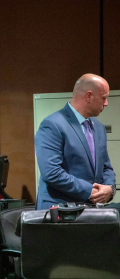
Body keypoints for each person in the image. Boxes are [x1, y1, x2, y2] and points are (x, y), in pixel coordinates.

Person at [35, 73, 116, 210]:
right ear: (88, 96)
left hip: (90, 212)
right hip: (60, 212)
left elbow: (106, 167)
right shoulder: (52, 124)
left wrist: (109, 188)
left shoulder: (99, 127)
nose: (106, 103)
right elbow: (51, 172)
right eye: (104, 98)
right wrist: (89, 191)